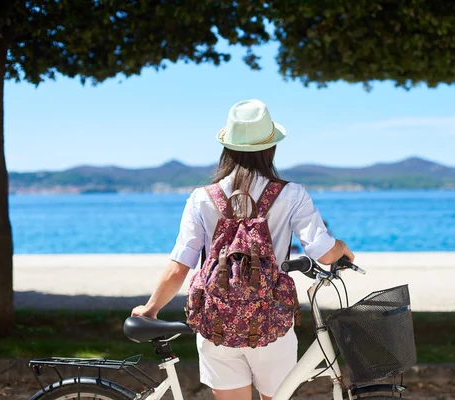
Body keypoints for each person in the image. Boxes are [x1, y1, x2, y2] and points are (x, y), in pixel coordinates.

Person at [131, 99, 354, 400]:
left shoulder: (201, 198)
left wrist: (151, 308)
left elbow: (179, 265)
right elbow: (324, 253)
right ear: (270, 147)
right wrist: (341, 247)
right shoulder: (291, 194)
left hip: (218, 324)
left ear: (228, 147)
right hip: (271, 323)